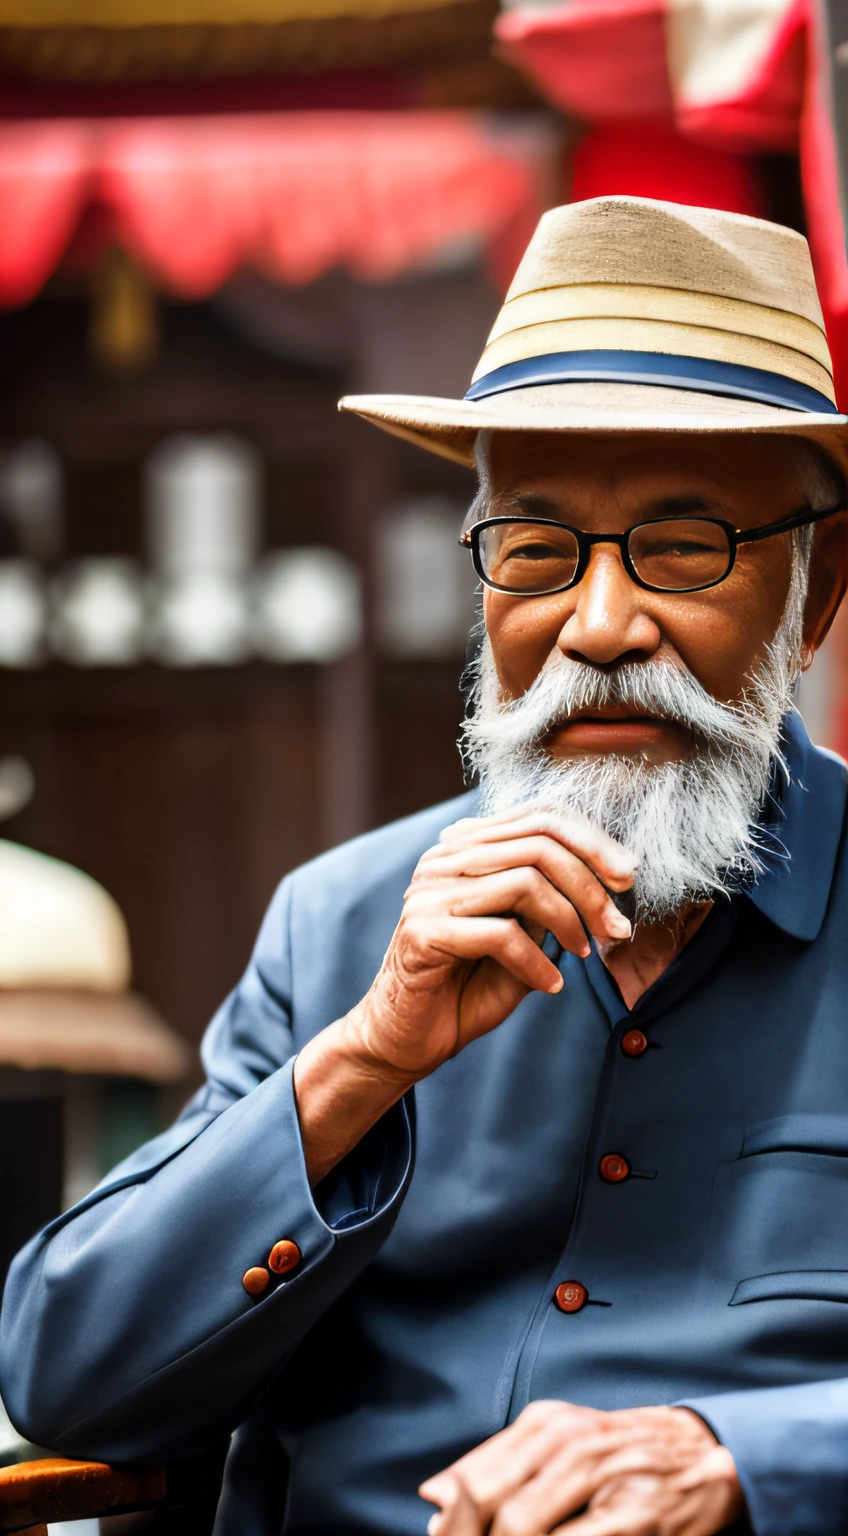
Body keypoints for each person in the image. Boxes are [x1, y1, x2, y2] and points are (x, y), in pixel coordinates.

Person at [3, 195, 848, 1536]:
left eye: (685, 547)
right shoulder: (342, 928)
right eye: (536, 550)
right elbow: (65, 1377)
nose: (603, 623)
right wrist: (363, 1060)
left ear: (819, 592)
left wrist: (744, 1459)